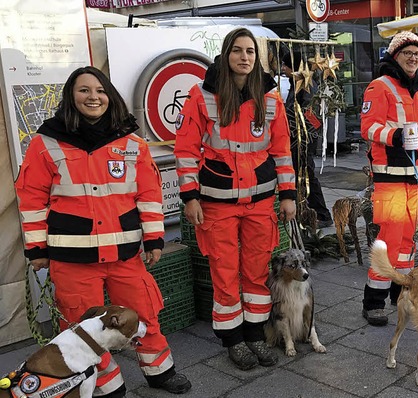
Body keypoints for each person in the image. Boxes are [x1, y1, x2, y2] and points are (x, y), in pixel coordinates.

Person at [15, 66, 191, 397]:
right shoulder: (45, 142)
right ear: (71, 96)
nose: (93, 97)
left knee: (143, 315)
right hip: (72, 259)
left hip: (125, 256)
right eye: (84, 90)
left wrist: (154, 239)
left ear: (109, 96)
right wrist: (36, 250)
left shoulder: (132, 142)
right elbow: (32, 199)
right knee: (83, 328)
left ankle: (160, 372)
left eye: (99, 90)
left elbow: (149, 197)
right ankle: (108, 385)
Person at [174, 28, 296, 370]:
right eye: (238, 51)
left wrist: (288, 195)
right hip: (217, 202)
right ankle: (233, 340)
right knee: (224, 272)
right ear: (226, 54)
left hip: (260, 202)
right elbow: (185, 151)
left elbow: (282, 151)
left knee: (256, 271)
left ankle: (255, 334)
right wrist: (190, 197)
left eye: (251, 52)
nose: (245, 57)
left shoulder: (269, 98)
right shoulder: (202, 95)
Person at [360, 31, 418, 326]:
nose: (413, 57)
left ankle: (399, 290)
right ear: (395, 56)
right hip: (390, 178)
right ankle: (373, 301)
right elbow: (368, 127)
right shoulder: (380, 87)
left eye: (417, 53)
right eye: (407, 52)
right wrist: (394, 136)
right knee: (389, 239)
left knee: (408, 240)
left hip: (417, 178)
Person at [281, 51, 333, 228]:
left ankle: (322, 214)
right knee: (303, 173)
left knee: (308, 174)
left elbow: (312, 114)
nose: (282, 69)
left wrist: (301, 132)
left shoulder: (306, 84)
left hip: (303, 139)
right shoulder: (297, 82)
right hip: (297, 138)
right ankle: (308, 212)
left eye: (285, 66)